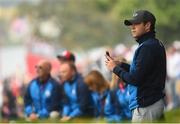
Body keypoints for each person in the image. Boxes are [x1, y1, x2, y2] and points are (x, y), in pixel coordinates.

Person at [105, 10, 166, 122]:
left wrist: (114, 68)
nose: (132, 27)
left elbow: (134, 79)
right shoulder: (153, 44)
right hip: (152, 103)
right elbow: (141, 73)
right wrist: (121, 65)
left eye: (136, 24)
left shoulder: (147, 47)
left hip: (146, 106)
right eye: (131, 24)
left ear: (147, 25)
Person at [104, 56, 132, 122]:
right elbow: (108, 113)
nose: (120, 72)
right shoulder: (113, 91)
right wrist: (120, 120)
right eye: (117, 69)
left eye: (122, 69)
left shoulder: (134, 85)